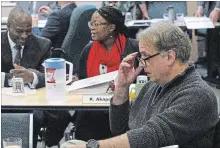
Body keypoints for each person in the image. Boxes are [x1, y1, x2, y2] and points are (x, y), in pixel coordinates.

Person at [70, 21, 219, 148]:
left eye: (146, 56)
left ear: (170, 56)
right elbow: (119, 128)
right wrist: (122, 88)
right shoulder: (152, 86)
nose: (142, 64)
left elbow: (150, 136)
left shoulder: (197, 95)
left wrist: (94, 146)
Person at [1, 6, 70, 148]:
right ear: (8, 27)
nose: (24, 36)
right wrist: (13, 78)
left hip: (32, 104)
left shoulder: (43, 44)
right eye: (19, 31)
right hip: (3, 102)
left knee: (46, 116)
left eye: (28, 30)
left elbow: (49, 77)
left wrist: (32, 76)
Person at [74, 6, 139, 141]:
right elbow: (82, 80)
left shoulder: (133, 48)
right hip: (93, 110)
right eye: (91, 23)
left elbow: (141, 82)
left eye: (97, 24)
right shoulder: (88, 50)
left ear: (111, 27)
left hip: (124, 109)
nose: (92, 27)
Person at [195, 1, 220, 81]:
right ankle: (213, 71)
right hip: (211, 9)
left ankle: (214, 70)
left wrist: (218, 8)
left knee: (214, 38)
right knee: (211, 38)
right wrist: (200, 7)